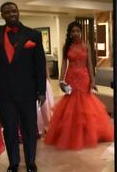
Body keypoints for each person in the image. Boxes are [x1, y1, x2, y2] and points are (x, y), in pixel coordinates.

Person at [0, 2, 46, 172]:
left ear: (18, 12)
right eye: (7, 12)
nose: (12, 14)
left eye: (14, 10)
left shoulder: (33, 35)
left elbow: (39, 65)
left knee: (29, 128)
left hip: (27, 91)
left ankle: (30, 162)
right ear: (2, 15)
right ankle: (13, 162)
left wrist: (41, 90)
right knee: (10, 129)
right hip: (4, 92)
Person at [44, 21, 113, 149]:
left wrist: (92, 81)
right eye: (73, 31)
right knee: (71, 103)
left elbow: (90, 64)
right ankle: (72, 133)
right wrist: (61, 80)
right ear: (70, 34)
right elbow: (64, 64)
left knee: (86, 103)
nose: (75, 33)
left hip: (84, 77)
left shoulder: (86, 45)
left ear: (81, 32)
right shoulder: (67, 46)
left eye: (77, 31)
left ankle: (87, 133)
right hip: (71, 77)